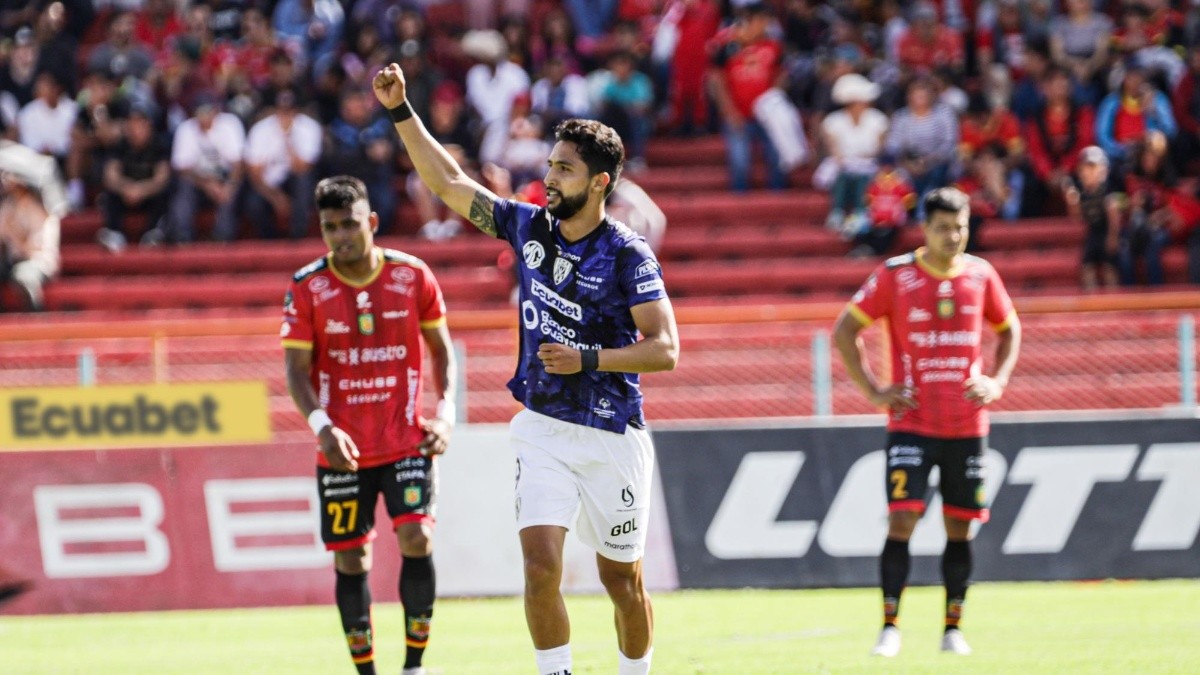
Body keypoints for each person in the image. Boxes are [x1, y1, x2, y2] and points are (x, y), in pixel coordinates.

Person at [372, 62, 679, 675]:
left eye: (564, 168)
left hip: (613, 434)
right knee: (540, 567)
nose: (549, 177)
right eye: (550, 165)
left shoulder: (627, 253)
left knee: (622, 581)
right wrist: (401, 110)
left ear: (599, 183)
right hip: (541, 428)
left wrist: (588, 358)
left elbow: (665, 348)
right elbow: (452, 183)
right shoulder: (528, 225)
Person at [832, 187, 1021, 659]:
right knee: (903, 519)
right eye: (943, 228)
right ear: (925, 229)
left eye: (960, 227)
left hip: (966, 425)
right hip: (912, 422)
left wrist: (996, 381)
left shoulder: (982, 274)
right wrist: (875, 390)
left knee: (960, 528)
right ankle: (890, 626)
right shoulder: (896, 275)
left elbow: (1010, 328)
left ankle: (952, 628)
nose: (953, 236)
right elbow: (845, 330)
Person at [282, 175, 457, 675]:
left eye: (349, 224)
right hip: (341, 449)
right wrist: (321, 426)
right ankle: (367, 673)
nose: (340, 236)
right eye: (329, 227)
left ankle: (414, 667)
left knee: (417, 540)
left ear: (372, 222)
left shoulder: (413, 275)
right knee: (350, 561)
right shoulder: (307, 287)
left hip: (406, 441)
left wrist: (444, 414)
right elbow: (295, 372)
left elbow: (443, 354)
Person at [1063, 146, 1121, 290]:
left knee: (1109, 267)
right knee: (1087, 266)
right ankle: (1091, 298)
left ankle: (1113, 300)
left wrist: (1113, 236)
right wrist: (1072, 203)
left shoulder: (1107, 191)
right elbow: (1076, 217)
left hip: (1106, 233)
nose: (1089, 173)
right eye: (1086, 169)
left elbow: (1114, 216)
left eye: (1093, 169)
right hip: (1093, 233)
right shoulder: (1082, 194)